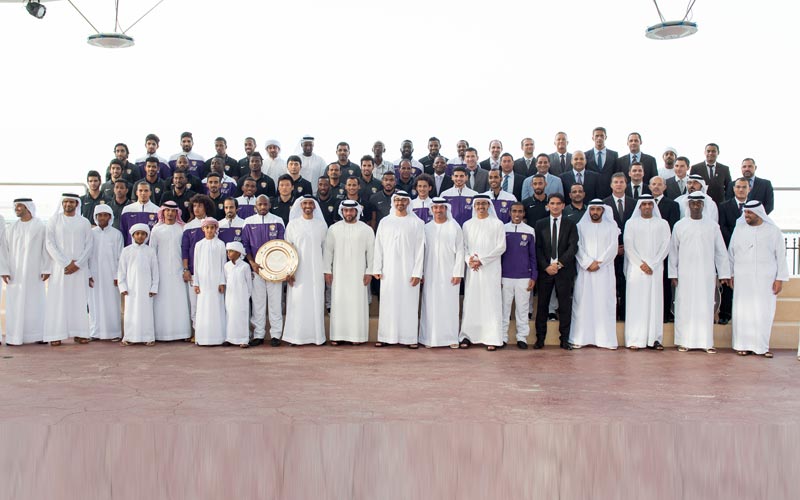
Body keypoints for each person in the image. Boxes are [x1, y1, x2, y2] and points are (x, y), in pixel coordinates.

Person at [669, 193, 731, 353]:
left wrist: (724, 273)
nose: (696, 206)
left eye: (699, 203)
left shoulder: (712, 226)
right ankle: (684, 341)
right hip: (685, 273)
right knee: (685, 306)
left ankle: (706, 342)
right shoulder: (680, 225)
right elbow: (673, 251)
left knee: (705, 305)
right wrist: (673, 274)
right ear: (688, 205)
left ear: (703, 205)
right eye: (693, 203)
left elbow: (720, 252)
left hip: (706, 273)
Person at [729, 201, 789, 357]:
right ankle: (742, 345)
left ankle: (762, 346)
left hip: (766, 279)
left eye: (750, 213)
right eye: (745, 212)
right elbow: (731, 253)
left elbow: (781, 256)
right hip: (743, 278)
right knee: (743, 311)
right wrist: (730, 274)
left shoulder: (773, 231)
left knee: (763, 311)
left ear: (759, 213)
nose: (746, 215)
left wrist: (780, 278)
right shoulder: (739, 229)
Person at [373, 191, 425, 348]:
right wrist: (377, 267)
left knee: (408, 304)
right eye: (397, 200)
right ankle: (385, 337)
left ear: (408, 202)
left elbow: (420, 250)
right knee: (388, 303)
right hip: (388, 272)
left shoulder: (417, 223)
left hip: (408, 272)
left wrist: (417, 272)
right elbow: (379, 246)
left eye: (403, 200)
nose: (400, 203)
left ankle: (409, 339)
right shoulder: (385, 222)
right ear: (393, 202)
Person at [44, 194, 93, 346]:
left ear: (76, 204)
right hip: (60, 269)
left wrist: (77, 264)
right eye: (65, 202)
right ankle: (56, 334)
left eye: (71, 202)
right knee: (58, 301)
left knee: (79, 300)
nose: (68, 204)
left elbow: (89, 245)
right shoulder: (54, 221)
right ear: (62, 203)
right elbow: (49, 244)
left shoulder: (84, 222)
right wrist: (66, 263)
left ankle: (80, 333)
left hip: (79, 269)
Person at [570, 201, 620, 349]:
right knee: (583, 304)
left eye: (598, 209)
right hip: (585, 272)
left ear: (603, 211)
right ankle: (580, 338)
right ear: (589, 211)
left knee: (604, 304)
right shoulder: (580, 227)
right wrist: (587, 263)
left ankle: (606, 340)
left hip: (604, 272)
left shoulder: (611, 227)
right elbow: (577, 246)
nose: (595, 211)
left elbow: (613, 248)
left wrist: (599, 263)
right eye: (592, 209)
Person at [324, 200, 375, 345]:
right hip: (338, 274)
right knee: (339, 302)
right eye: (345, 210)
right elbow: (328, 252)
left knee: (357, 304)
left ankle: (356, 337)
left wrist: (369, 272)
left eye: (351, 211)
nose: (348, 213)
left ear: (357, 211)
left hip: (358, 274)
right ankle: (337, 336)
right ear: (341, 211)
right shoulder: (333, 229)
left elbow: (371, 253)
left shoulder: (366, 229)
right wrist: (327, 270)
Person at [623, 195, 671, 350]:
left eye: (650, 204)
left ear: (653, 206)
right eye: (644, 204)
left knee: (655, 303)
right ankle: (635, 339)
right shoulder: (631, 223)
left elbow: (666, 245)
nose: (647, 207)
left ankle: (654, 339)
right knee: (636, 304)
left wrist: (653, 264)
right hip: (637, 270)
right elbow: (628, 246)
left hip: (655, 269)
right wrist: (641, 264)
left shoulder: (662, 224)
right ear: (639, 206)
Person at [460, 195, 506, 351]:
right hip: (472, 270)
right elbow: (464, 247)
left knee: (490, 302)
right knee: (471, 301)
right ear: (474, 206)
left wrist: (482, 260)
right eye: (478, 203)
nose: (480, 206)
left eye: (483, 204)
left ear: (489, 205)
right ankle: (467, 336)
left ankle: (491, 337)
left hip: (490, 269)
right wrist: (469, 260)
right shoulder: (467, 225)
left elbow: (501, 247)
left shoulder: (498, 224)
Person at [2, 199, 50, 345]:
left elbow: (45, 248)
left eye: (19, 206)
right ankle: (14, 337)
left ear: (28, 207)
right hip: (15, 273)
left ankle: (37, 335)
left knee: (36, 303)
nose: (16, 209)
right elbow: (3, 250)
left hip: (34, 272)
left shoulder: (40, 226)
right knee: (15, 304)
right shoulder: (12, 228)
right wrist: (4, 269)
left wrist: (46, 268)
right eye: (15, 206)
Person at [534, 194, 579, 349]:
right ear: (548, 205)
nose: (555, 206)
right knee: (542, 306)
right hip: (545, 271)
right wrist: (546, 266)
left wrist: (558, 264)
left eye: (558, 203)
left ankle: (565, 339)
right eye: (552, 203)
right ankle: (540, 339)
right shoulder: (540, 224)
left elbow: (573, 247)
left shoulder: (571, 224)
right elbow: (537, 248)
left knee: (565, 306)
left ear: (563, 205)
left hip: (564, 270)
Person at [283, 196, 328, 346]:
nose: (308, 206)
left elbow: (326, 250)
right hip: (297, 272)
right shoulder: (293, 225)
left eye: (311, 203)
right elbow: (287, 250)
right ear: (300, 206)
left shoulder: (321, 225)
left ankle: (316, 337)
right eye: (305, 203)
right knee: (298, 302)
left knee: (315, 301)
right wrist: (289, 271)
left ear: (315, 206)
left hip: (316, 270)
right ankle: (296, 337)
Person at [242, 195, 286, 346]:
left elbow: (282, 246)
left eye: (265, 204)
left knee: (275, 303)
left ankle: (275, 335)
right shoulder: (248, 222)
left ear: (269, 205)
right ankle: (259, 334)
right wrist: (252, 263)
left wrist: (276, 267)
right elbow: (245, 245)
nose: (262, 207)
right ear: (255, 206)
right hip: (256, 270)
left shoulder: (278, 220)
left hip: (275, 270)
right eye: (259, 204)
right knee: (258, 302)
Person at [419, 198, 464, 349]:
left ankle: (450, 338)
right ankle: (429, 339)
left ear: (446, 209)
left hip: (449, 273)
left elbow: (460, 252)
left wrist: (458, 272)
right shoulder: (426, 228)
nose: (438, 210)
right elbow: (421, 252)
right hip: (430, 272)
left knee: (449, 305)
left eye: (441, 208)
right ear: (432, 209)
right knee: (430, 305)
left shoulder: (454, 227)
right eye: (435, 208)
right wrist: (421, 272)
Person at [149, 201, 191, 342]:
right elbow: (152, 252)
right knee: (161, 301)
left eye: (173, 211)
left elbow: (185, 250)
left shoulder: (182, 228)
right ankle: (161, 334)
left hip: (179, 270)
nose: (170, 213)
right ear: (163, 212)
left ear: (177, 213)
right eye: (167, 211)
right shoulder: (156, 230)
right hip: (161, 271)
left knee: (179, 301)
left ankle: (182, 333)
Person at [501, 202, 537, 349]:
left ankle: (522, 337)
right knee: (504, 308)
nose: (517, 214)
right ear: (510, 213)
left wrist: (533, 276)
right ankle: (502, 337)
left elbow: (533, 255)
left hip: (524, 277)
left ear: (524, 213)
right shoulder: (503, 229)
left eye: (520, 212)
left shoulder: (530, 231)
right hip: (505, 276)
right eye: (514, 211)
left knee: (522, 308)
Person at [118, 223, 159, 346]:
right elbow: (121, 271)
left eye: (143, 234)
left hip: (146, 288)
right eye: (137, 234)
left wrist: (154, 287)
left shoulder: (150, 251)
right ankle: (129, 337)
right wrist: (122, 286)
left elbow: (155, 271)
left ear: (146, 236)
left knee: (146, 313)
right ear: (133, 235)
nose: (140, 236)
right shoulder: (126, 251)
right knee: (130, 312)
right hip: (131, 288)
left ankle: (148, 337)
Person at [718, 177, 751, 325]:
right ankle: (725, 313)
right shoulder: (724, 206)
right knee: (728, 282)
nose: (741, 190)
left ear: (748, 189)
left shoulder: (754, 206)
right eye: (738, 187)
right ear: (733, 189)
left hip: (748, 251)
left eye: (744, 187)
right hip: (728, 248)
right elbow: (722, 226)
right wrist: (736, 240)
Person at [87, 204, 123, 341]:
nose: (102, 218)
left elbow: (120, 257)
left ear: (110, 217)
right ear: (96, 217)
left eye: (105, 215)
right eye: (99, 215)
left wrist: (117, 275)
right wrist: (88, 274)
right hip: (94, 275)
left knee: (112, 303)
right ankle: (95, 332)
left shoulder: (116, 234)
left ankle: (114, 333)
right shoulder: (91, 233)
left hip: (111, 276)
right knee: (94, 303)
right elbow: (87, 255)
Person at [182, 194, 216, 330]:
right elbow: (185, 250)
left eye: (200, 206)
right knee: (194, 303)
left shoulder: (212, 224)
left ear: (206, 207)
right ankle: (197, 331)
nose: (197, 208)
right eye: (194, 206)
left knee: (210, 303)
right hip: (194, 272)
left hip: (211, 272)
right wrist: (186, 269)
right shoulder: (188, 227)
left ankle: (211, 331)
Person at [193, 217, 227, 346]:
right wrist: (196, 283)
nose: (209, 230)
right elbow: (196, 265)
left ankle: (218, 338)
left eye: (212, 228)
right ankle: (202, 338)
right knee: (203, 308)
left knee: (216, 308)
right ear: (203, 229)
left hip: (216, 282)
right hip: (203, 282)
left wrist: (221, 282)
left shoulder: (220, 244)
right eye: (207, 228)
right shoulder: (199, 245)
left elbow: (223, 264)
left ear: (215, 229)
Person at [223, 241, 252, 348]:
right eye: (228, 251)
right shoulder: (226, 266)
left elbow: (249, 284)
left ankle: (244, 339)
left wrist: (245, 296)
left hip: (242, 297)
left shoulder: (245, 266)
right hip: (230, 296)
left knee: (242, 317)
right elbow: (226, 280)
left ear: (239, 253)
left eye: (231, 251)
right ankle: (229, 338)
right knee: (230, 316)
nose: (228, 253)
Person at [585, 126, 619, 199]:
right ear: (593, 138)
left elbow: (616, 173)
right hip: (592, 192)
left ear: (605, 137)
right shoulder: (586, 155)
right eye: (597, 136)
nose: (599, 138)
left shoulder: (614, 155)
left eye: (601, 136)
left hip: (609, 192)